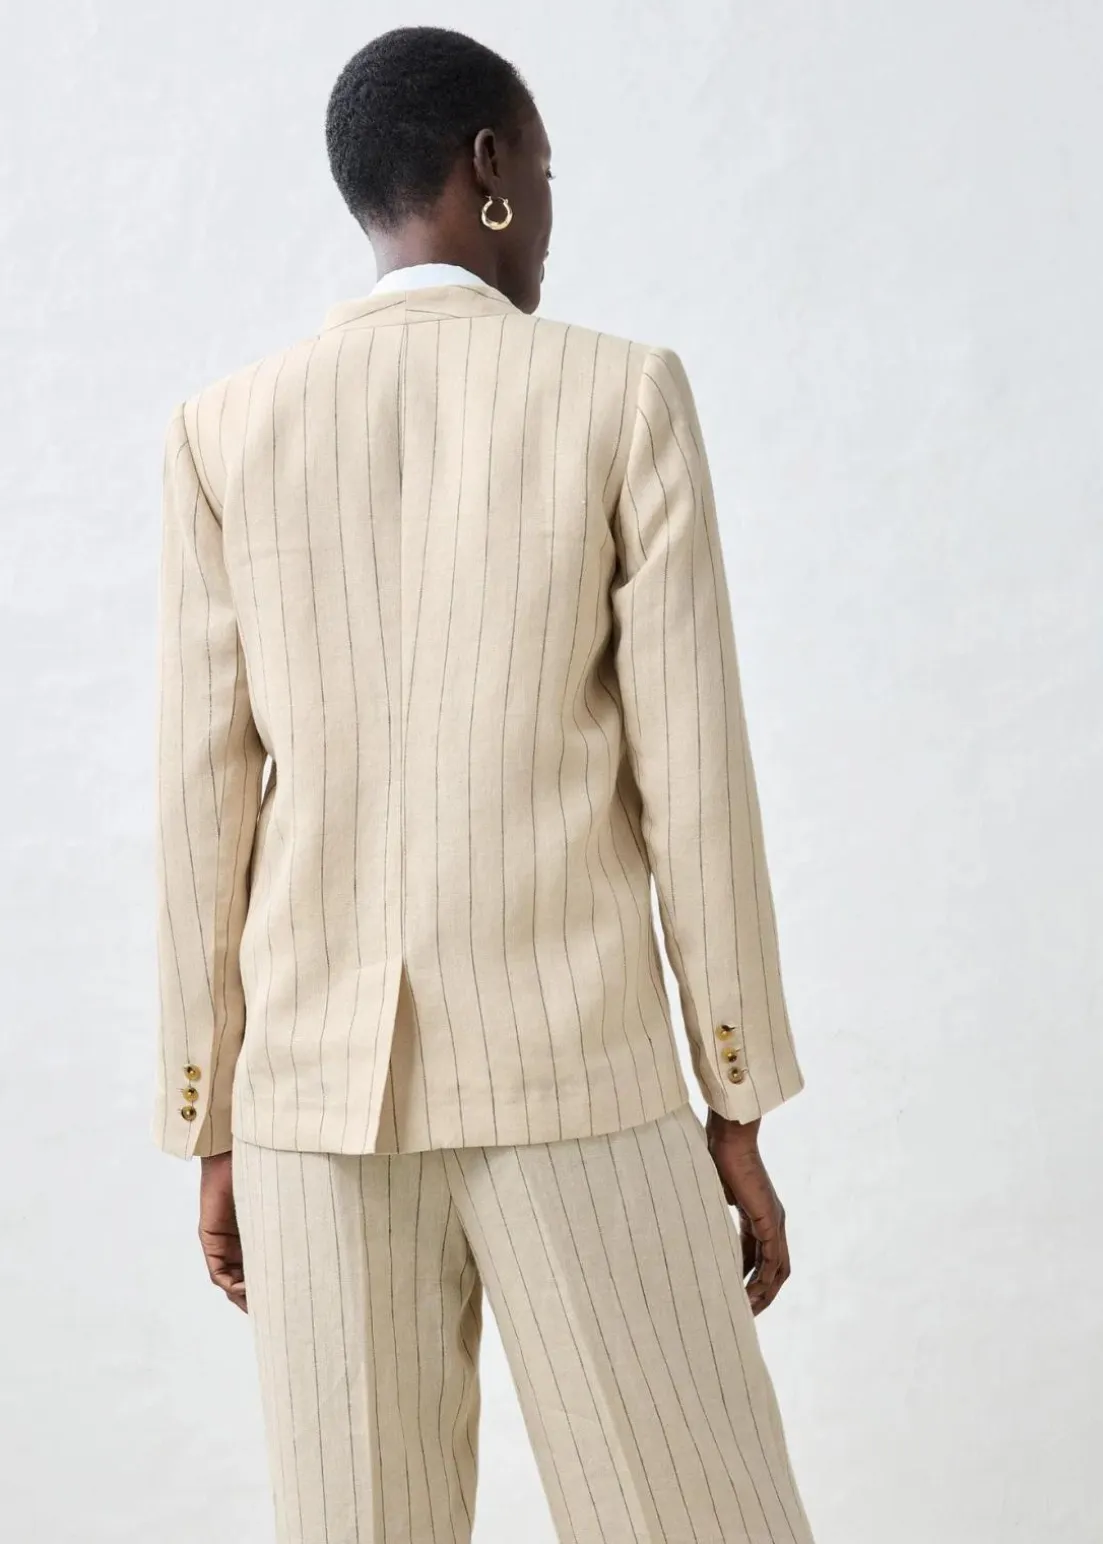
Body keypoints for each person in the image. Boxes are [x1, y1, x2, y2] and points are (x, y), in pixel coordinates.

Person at [152, 22, 815, 1544]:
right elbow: (695, 780)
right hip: (577, 1077)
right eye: (547, 171)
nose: (550, 215)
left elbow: (203, 804)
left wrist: (212, 1114)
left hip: (311, 1102)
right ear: (490, 166)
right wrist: (734, 1103)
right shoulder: (618, 395)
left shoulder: (226, 431)